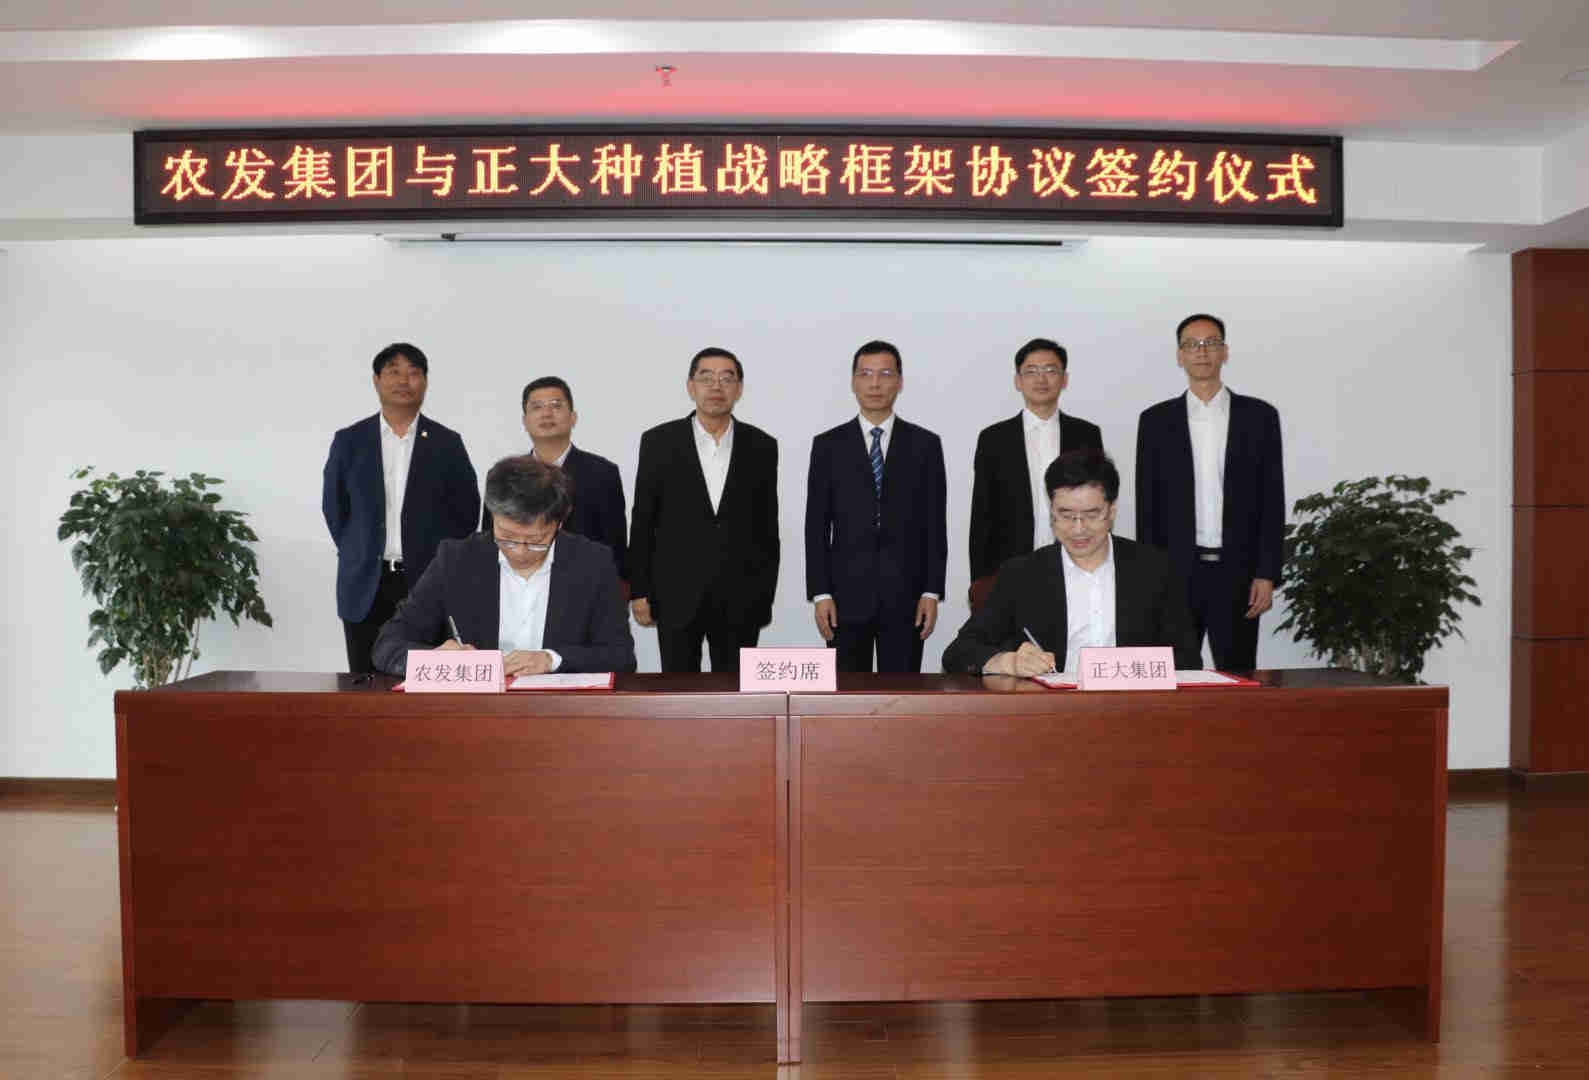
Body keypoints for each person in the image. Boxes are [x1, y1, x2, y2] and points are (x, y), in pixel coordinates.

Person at [942, 448, 1199, 675]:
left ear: (1111, 511)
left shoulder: (1154, 569)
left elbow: (1187, 659)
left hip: (1133, 706)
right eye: (1065, 515)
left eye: (1091, 515)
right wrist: (1007, 662)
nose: (1078, 529)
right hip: (1053, 709)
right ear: (1052, 511)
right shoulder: (1022, 574)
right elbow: (959, 652)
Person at [372, 455, 636, 676]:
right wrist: (437, 659)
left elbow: (620, 656)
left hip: (559, 711)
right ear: (493, 515)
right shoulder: (456, 560)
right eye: (507, 537)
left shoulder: (592, 563)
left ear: (559, 523)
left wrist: (552, 660)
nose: (520, 551)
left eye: (535, 541)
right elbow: (387, 645)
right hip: (478, 711)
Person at [1135, 313, 1284, 671]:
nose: (1202, 351)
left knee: (1237, 674)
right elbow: (1147, 506)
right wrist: (1150, 577)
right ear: (1180, 355)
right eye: (1192, 344)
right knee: (1174, 676)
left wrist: (1266, 572)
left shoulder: (1259, 417)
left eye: (1211, 343)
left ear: (1225, 351)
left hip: (1239, 572)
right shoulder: (1155, 421)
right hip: (1176, 573)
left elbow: (1271, 499)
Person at [322, 342, 480, 674]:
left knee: (428, 680)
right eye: (393, 372)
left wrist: (442, 563)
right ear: (376, 380)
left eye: (413, 372)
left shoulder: (447, 443)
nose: (403, 380)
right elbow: (335, 509)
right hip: (366, 581)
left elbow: (466, 513)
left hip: (427, 582)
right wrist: (358, 549)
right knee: (365, 682)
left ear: (425, 381)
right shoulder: (350, 440)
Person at [628, 347, 780, 672]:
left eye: (727, 378)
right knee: (679, 692)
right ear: (690, 386)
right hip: (675, 595)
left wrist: (763, 597)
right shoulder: (659, 441)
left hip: (740, 598)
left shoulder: (762, 445)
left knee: (737, 692)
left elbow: (768, 529)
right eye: (706, 377)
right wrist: (639, 591)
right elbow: (642, 522)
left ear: (739, 388)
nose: (716, 386)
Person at [806, 340, 948, 673]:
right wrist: (820, 594)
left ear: (899, 381)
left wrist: (931, 591)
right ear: (853, 382)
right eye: (865, 374)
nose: (875, 384)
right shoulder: (828, 445)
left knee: (900, 694)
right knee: (846, 694)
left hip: (907, 596)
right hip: (844, 598)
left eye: (885, 374)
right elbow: (816, 525)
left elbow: (934, 524)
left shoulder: (925, 445)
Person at [968, 337, 1104, 609]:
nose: (1041, 379)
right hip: (1010, 567)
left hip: (1076, 563)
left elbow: (1098, 506)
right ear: (1018, 381)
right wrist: (981, 581)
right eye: (1031, 371)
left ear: (1064, 379)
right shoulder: (994, 439)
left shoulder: (1086, 434)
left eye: (1050, 370)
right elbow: (983, 514)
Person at [481, 376, 628, 586]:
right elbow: (489, 539)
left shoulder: (602, 473)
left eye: (556, 405)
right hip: (516, 585)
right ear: (525, 421)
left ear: (573, 417)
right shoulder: (503, 475)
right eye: (537, 407)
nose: (546, 413)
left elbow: (615, 544)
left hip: (584, 585)